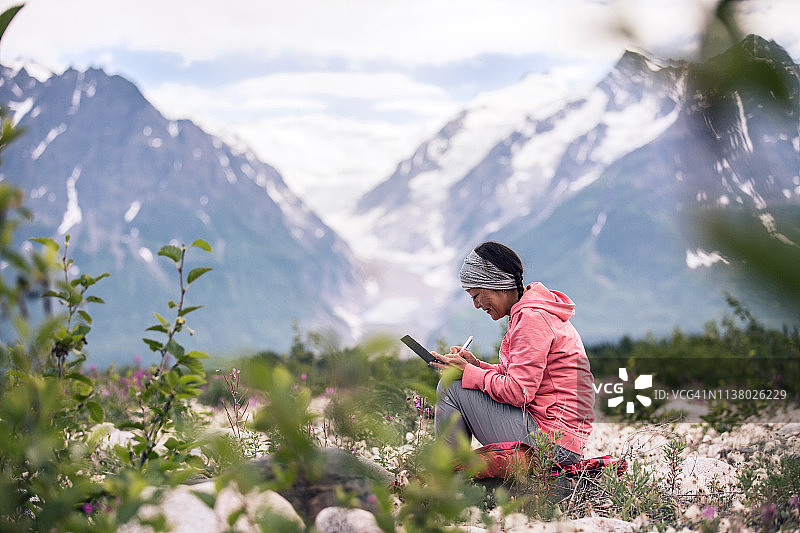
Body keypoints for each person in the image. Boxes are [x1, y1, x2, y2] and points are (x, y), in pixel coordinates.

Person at [431, 241, 594, 465]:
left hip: (553, 443)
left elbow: (519, 391)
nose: (476, 305)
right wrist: (475, 366)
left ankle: (446, 480)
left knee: (451, 387)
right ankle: (450, 475)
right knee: (458, 383)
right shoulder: (531, 312)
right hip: (560, 438)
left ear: (496, 283)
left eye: (477, 294)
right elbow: (519, 375)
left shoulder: (532, 319)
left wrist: (467, 373)